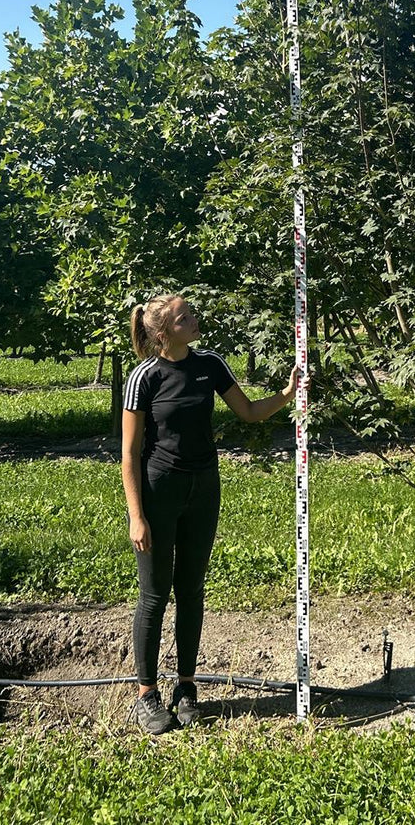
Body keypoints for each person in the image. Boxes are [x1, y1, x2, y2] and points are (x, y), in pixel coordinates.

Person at [122, 292, 296, 734]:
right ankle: (146, 695)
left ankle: (186, 687)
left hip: (204, 491)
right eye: (185, 317)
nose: (195, 320)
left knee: (192, 589)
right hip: (160, 492)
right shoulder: (144, 377)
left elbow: (250, 412)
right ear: (163, 332)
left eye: (192, 314)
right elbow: (128, 454)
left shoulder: (210, 364)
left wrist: (288, 394)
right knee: (155, 592)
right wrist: (136, 515)